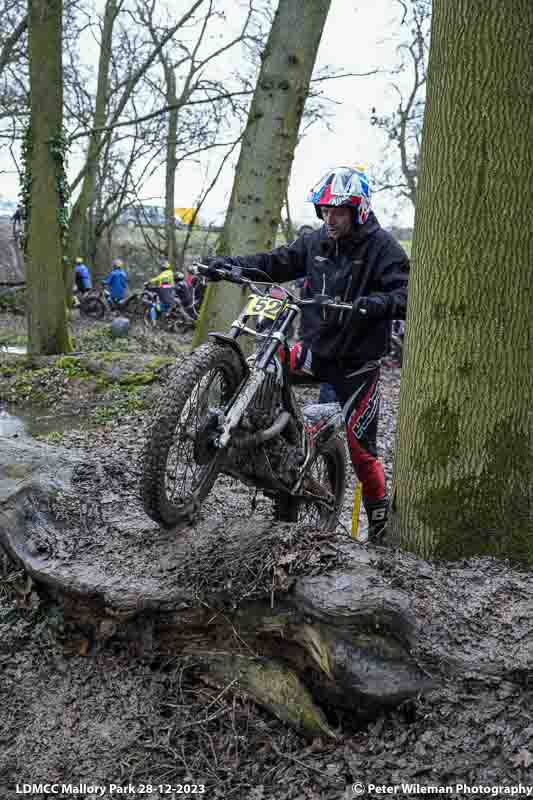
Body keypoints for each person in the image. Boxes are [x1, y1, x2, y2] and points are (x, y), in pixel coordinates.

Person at [204, 164, 409, 543]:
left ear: (358, 211)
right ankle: (270, 441)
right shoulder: (315, 242)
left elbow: (406, 295)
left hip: (357, 366)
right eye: (324, 210)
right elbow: (275, 263)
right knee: (269, 364)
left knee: (362, 454)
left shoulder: (385, 249)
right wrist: (230, 265)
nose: (329, 219)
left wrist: (375, 305)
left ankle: (380, 527)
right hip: (316, 350)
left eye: (338, 212)